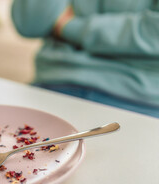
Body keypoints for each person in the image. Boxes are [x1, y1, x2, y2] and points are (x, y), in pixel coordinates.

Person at [11, 0, 159, 118]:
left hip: (139, 100)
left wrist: (69, 27)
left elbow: (153, 35)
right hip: (54, 84)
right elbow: (29, 23)